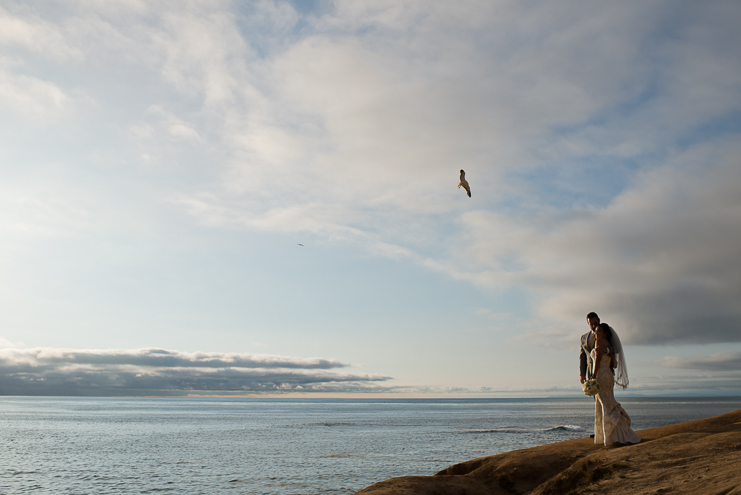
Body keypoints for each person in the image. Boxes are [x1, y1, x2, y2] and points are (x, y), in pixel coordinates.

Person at [591, 322, 640, 446]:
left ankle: (610, 437)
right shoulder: (610, 345)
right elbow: (614, 364)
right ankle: (616, 434)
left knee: (604, 405)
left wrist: (593, 376)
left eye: (599, 331)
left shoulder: (599, 342)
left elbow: (596, 361)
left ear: (605, 333)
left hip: (601, 376)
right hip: (608, 376)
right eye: (596, 331)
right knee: (608, 402)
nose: (596, 333)